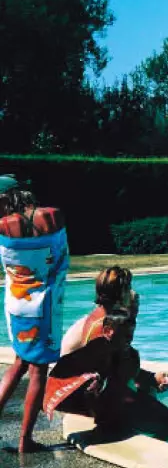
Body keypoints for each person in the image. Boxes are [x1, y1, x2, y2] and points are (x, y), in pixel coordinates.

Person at [43, 308, 168, 448]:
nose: (129, 340)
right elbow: (75, 373)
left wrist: (154, 379)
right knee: (127, 400)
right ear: (108, 331)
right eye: (125, 335)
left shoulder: (128, 353)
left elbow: (133, 376)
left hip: (99, 396)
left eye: (131, 335)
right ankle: (107, 429)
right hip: (72, 396)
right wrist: (94, 380)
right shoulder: (97, 348)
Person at [0, 176, 70, 453]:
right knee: (38, 370)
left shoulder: (3, 226)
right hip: (44, 306)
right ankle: (25, 440)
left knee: (19, 362)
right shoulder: (51, 216)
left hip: (16, 303)